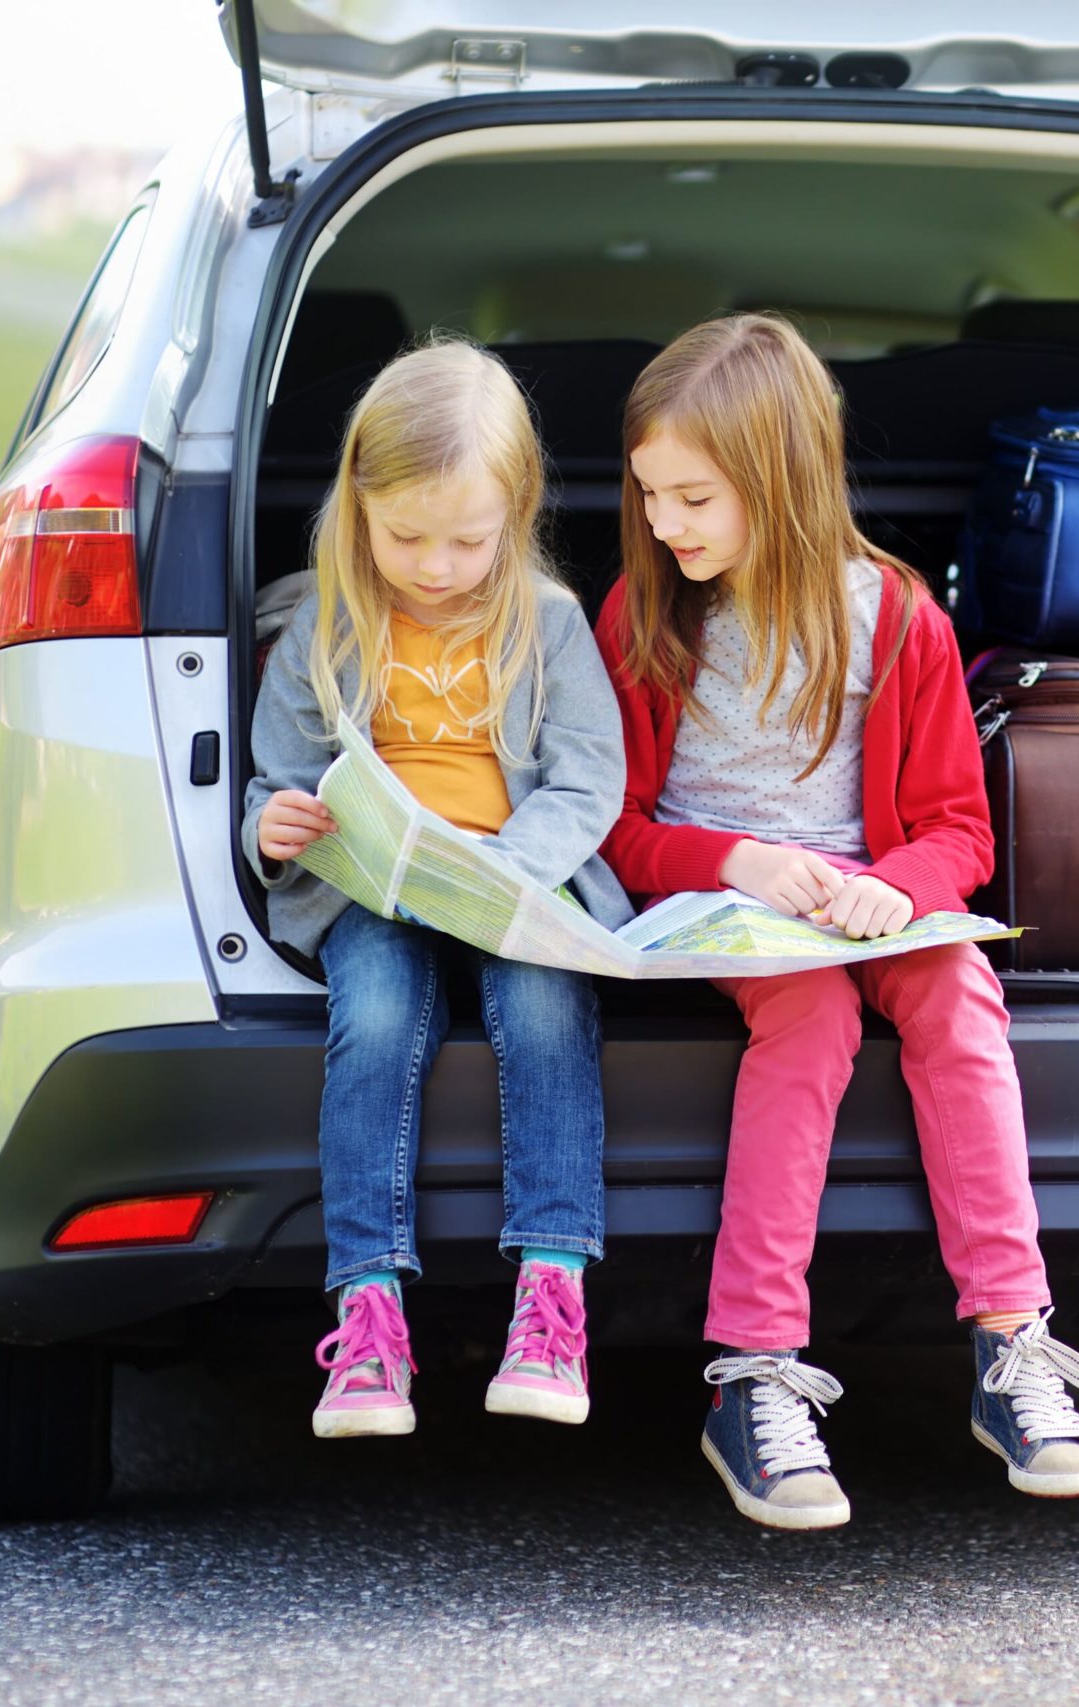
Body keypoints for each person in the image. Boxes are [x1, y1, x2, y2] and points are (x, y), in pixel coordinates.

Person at [594, 314, 1079, 1530]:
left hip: (865, 904)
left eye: (692, 498)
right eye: (650, 495)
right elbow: (610, 828)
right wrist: (738, 861)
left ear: (779, 479)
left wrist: (902, 887)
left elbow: (959, 835)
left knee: (957, 994)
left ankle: (1011, 1342)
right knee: (812, 1020)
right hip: (720, 909)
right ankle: (754, 1369)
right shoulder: (645, 614)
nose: (665, 523)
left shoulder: (897, 618)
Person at [241, 339, 631, 1439]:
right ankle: (367, 1314)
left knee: (548, 1010)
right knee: (369, 1020)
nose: (437, 564)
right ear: (356, 508)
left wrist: (507, 865)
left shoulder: (546, 621)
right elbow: (278, 779)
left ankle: (552, 1296)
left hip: (510, 880)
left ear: (516, 514)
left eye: (468, 539)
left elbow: (588, 775)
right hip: (370, 889)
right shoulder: (322, 622)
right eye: (405, 536)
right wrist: (273, 829)